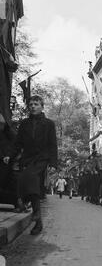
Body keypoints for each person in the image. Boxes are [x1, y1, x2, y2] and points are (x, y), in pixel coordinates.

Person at [3, 96, 58, 235]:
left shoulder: (49, 124)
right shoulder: (24, 124)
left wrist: (53, 164)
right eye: (31, 104)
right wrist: (9, 155)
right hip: (27, 159)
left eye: (36, 104)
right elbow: (18, 143)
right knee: (25, 181)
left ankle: (28, 207)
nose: (33, 106)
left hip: (42, 159)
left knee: (31, 177)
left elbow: (53, 145)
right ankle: (38, 221)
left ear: (42, 106)